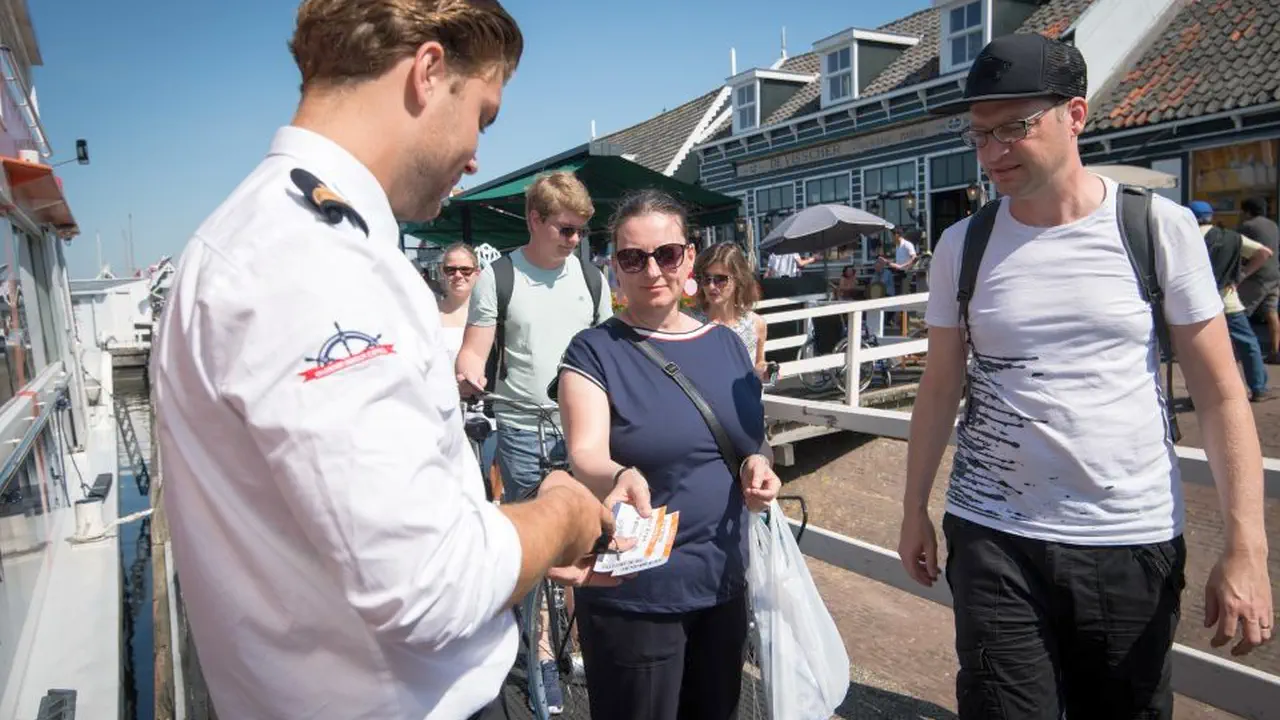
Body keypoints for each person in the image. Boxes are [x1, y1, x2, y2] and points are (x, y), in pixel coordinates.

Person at [149, 3, 619, 719]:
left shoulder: (267, 235)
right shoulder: (311, 257)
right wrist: (560, 514)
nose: (474, 156)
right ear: (428, 73)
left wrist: (508, 534)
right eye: (482, 116)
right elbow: (428, 583)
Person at [900, 33, 1273, 720]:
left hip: (1127, 537)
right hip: (993, 534)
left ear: (1075, 115)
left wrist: (1247, 548)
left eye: (1014, 128)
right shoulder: (964, 244)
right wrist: (913, 506)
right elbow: (940, 387)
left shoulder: (1156, 229)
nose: (992, 153)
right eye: (979, 135)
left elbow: (1223, 396)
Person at [556, 189, 782, 720]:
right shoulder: (593, 350)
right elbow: (584, 450)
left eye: (667, 254)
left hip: (722, 581)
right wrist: (620, 471)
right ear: (615, 267)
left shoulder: (727, 343)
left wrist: (759, 464)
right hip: (637, 590)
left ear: (689, 258)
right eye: (633, 257)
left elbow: (753, 437)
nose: (652, 269)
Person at [454, 170, 611, 711]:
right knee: (538, 551)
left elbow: (612, 355)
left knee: (592, 537)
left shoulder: (592, 280)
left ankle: (584, 639)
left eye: (580, 232)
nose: (574, 241)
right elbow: (475, 350)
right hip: (523, 429)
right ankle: (542, 652)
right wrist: (470, 371)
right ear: (535, 220)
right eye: (565, 230)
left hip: (584, 429)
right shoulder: (498, 277)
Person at [1191, 200, 1272, 401]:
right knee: (1248, 344)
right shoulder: (1232, 237)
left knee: (1199, 350)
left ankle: (1200, 393)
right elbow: (1264, 253)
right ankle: (1258, 387)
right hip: (1229, 302)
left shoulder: (1186, 238)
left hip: (1198, 304)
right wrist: (1242, 275)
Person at [690, 242, 768, 378]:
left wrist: (766, 370)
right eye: (706, 279)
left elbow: (758, 364)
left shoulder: (756, 324)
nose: (711, 286)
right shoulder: (688, 322)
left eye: (720, 279)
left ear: (738, 279)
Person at [1238, 196, 1280, 361]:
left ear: (1247, 211)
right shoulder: (1273, 225)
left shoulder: (1247, 226)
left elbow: (1238, 248)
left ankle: (1240, 351)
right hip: (1274, 274)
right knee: (1272, 314)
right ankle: (1275, 351)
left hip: (1256, 275)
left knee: (1240, 313)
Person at [436, 242, 482, 362]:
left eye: (465, 270)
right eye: (450, 270)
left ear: (477, 273)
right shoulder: (429, 314)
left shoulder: (489, 314)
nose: (458, 275)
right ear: (442, 272)